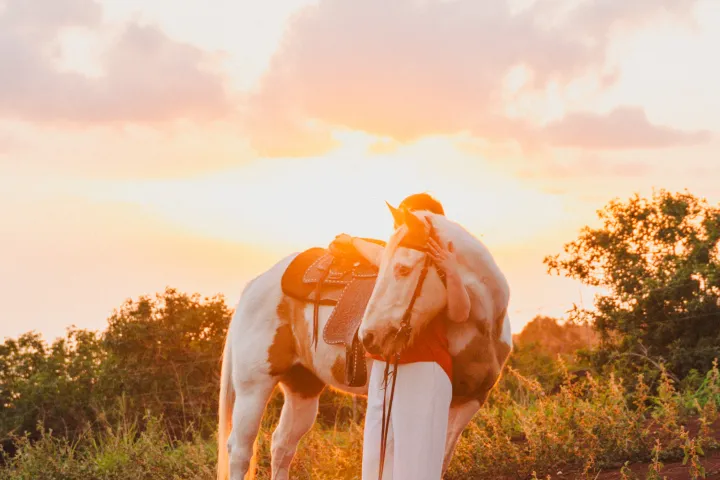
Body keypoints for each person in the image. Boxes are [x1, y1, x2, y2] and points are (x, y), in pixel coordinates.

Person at [330, 193, 471, 480]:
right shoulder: (401, 252)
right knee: (376, 463)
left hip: (424, 366)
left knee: (414, 465)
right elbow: (377, 254)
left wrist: (452, 272)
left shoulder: (445, 257)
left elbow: (459, 313)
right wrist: (353, 241)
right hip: (385, 365)